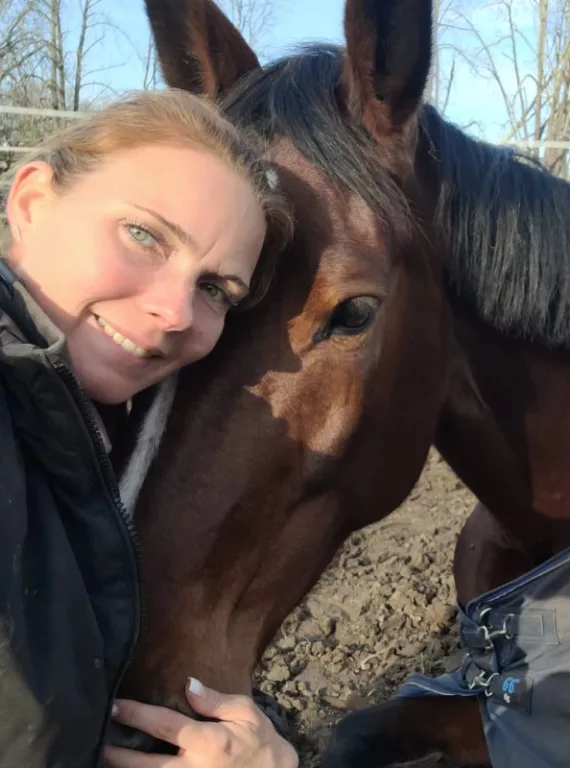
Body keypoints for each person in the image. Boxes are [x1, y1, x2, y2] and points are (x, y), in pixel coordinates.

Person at [0, 89, 296, 768]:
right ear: (32, 202)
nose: (175, 312)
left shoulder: (84, 428)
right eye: (144, 235)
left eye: (216, 289)